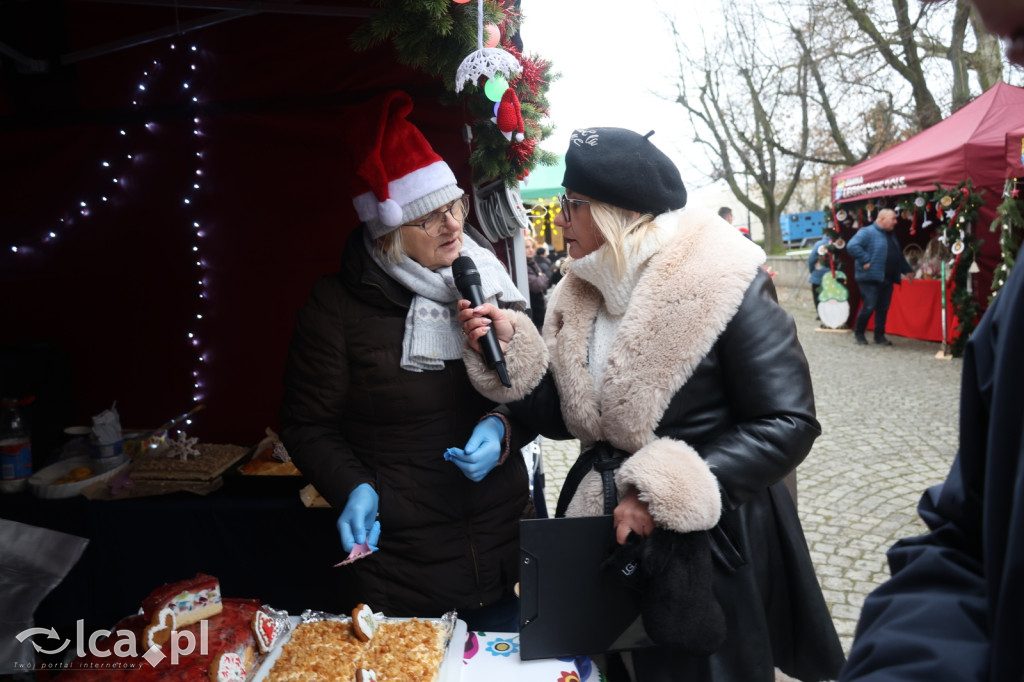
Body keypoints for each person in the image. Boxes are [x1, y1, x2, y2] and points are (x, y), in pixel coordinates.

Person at [458, 127, 845, 681]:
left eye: (571, 204)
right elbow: (570, 419)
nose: (559, 220)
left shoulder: (725, 280)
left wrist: (662, 492)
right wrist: (511, 352)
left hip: (705, 542)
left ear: (618, 213)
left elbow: (789, 422)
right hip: (606, 535)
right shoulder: (577, 290)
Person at [278, 91, 548, 632]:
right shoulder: (337, 306)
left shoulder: (487, 280)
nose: (452, 226)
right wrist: (353, 486)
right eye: (429, 218)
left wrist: (503, 426)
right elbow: (306, 425)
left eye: (454, 206)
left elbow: (534, 396)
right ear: (388, 232)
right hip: (403, 572)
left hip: (508, 551)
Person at [839, 1, 1024, 679]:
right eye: (1010, 40)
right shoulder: (871, 235)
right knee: (871, 316)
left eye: (1022, 35)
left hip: (886, 281)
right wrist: (871, 264)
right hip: (874, 283)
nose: (1013, 57)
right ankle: (868, 338)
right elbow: (967, 531)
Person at [846, 208, 913, 346]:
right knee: (869, 306)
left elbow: (898, 255)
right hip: (869, 277)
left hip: (887, 278)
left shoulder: (891, 235)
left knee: (883, 308)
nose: (896, 222)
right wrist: (865, 260)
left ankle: (879, 336)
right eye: (893, 218)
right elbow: (852, 246)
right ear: (882, 219)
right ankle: (859, 333)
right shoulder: (867, 232)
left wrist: (907, 270)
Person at [523, 235, 550, 329]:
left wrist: (541, 277)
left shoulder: (533, 263)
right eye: (527, 247)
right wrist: (541, 276)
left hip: (539, 309)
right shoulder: (522, 265)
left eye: (532, 247)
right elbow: (537, 285)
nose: (531, 250)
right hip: (531, 309)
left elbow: (546, 282)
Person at [808, 235, 831, 320]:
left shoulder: (819, 244)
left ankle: (821, 314)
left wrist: (813, 271)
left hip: (819, 275)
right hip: (832, 274)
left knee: (817, 295)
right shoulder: (838, 243)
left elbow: (811, 259)